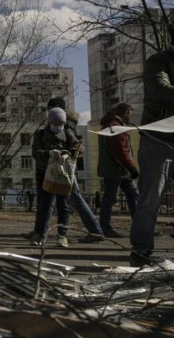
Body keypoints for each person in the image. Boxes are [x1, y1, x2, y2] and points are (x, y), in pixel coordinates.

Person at [131, 16, 174, 264]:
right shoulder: (158, 62)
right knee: (150, 200)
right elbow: (159, 90)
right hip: (159, 142)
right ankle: (140, 252)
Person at [46, 97, 104, 243]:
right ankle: (42, 230)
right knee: (59, 199)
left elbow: (75, 146)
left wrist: (65, 153)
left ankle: (95, 231)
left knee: (75, 198)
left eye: (51, 108)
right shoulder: (67, 123)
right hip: (64, 168)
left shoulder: (65, 125)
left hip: (64, 168)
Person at [28, 108, 79, 247]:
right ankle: (39, 234)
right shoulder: (40, 134)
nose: (58, 126)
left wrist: (68, 154)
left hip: (63, 174)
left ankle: (62, 236)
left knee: (64, 206)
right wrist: (48, 154)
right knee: (43, 205)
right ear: (50, 121)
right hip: (44, 173)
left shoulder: (68, 133)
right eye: (55, 123)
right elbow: (35, 152)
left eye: (61, 123)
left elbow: (78, 147)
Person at [97, 103, 140, 238]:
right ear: (126, 113)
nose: (130, 117)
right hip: (117, 169)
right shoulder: (115, 127)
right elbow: (121, 151)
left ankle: (141, 226)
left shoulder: (111, 125)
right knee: (112, 198)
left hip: (117, 169)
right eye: (129, 114)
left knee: (131, 196)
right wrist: (132, 168)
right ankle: (105, 228)